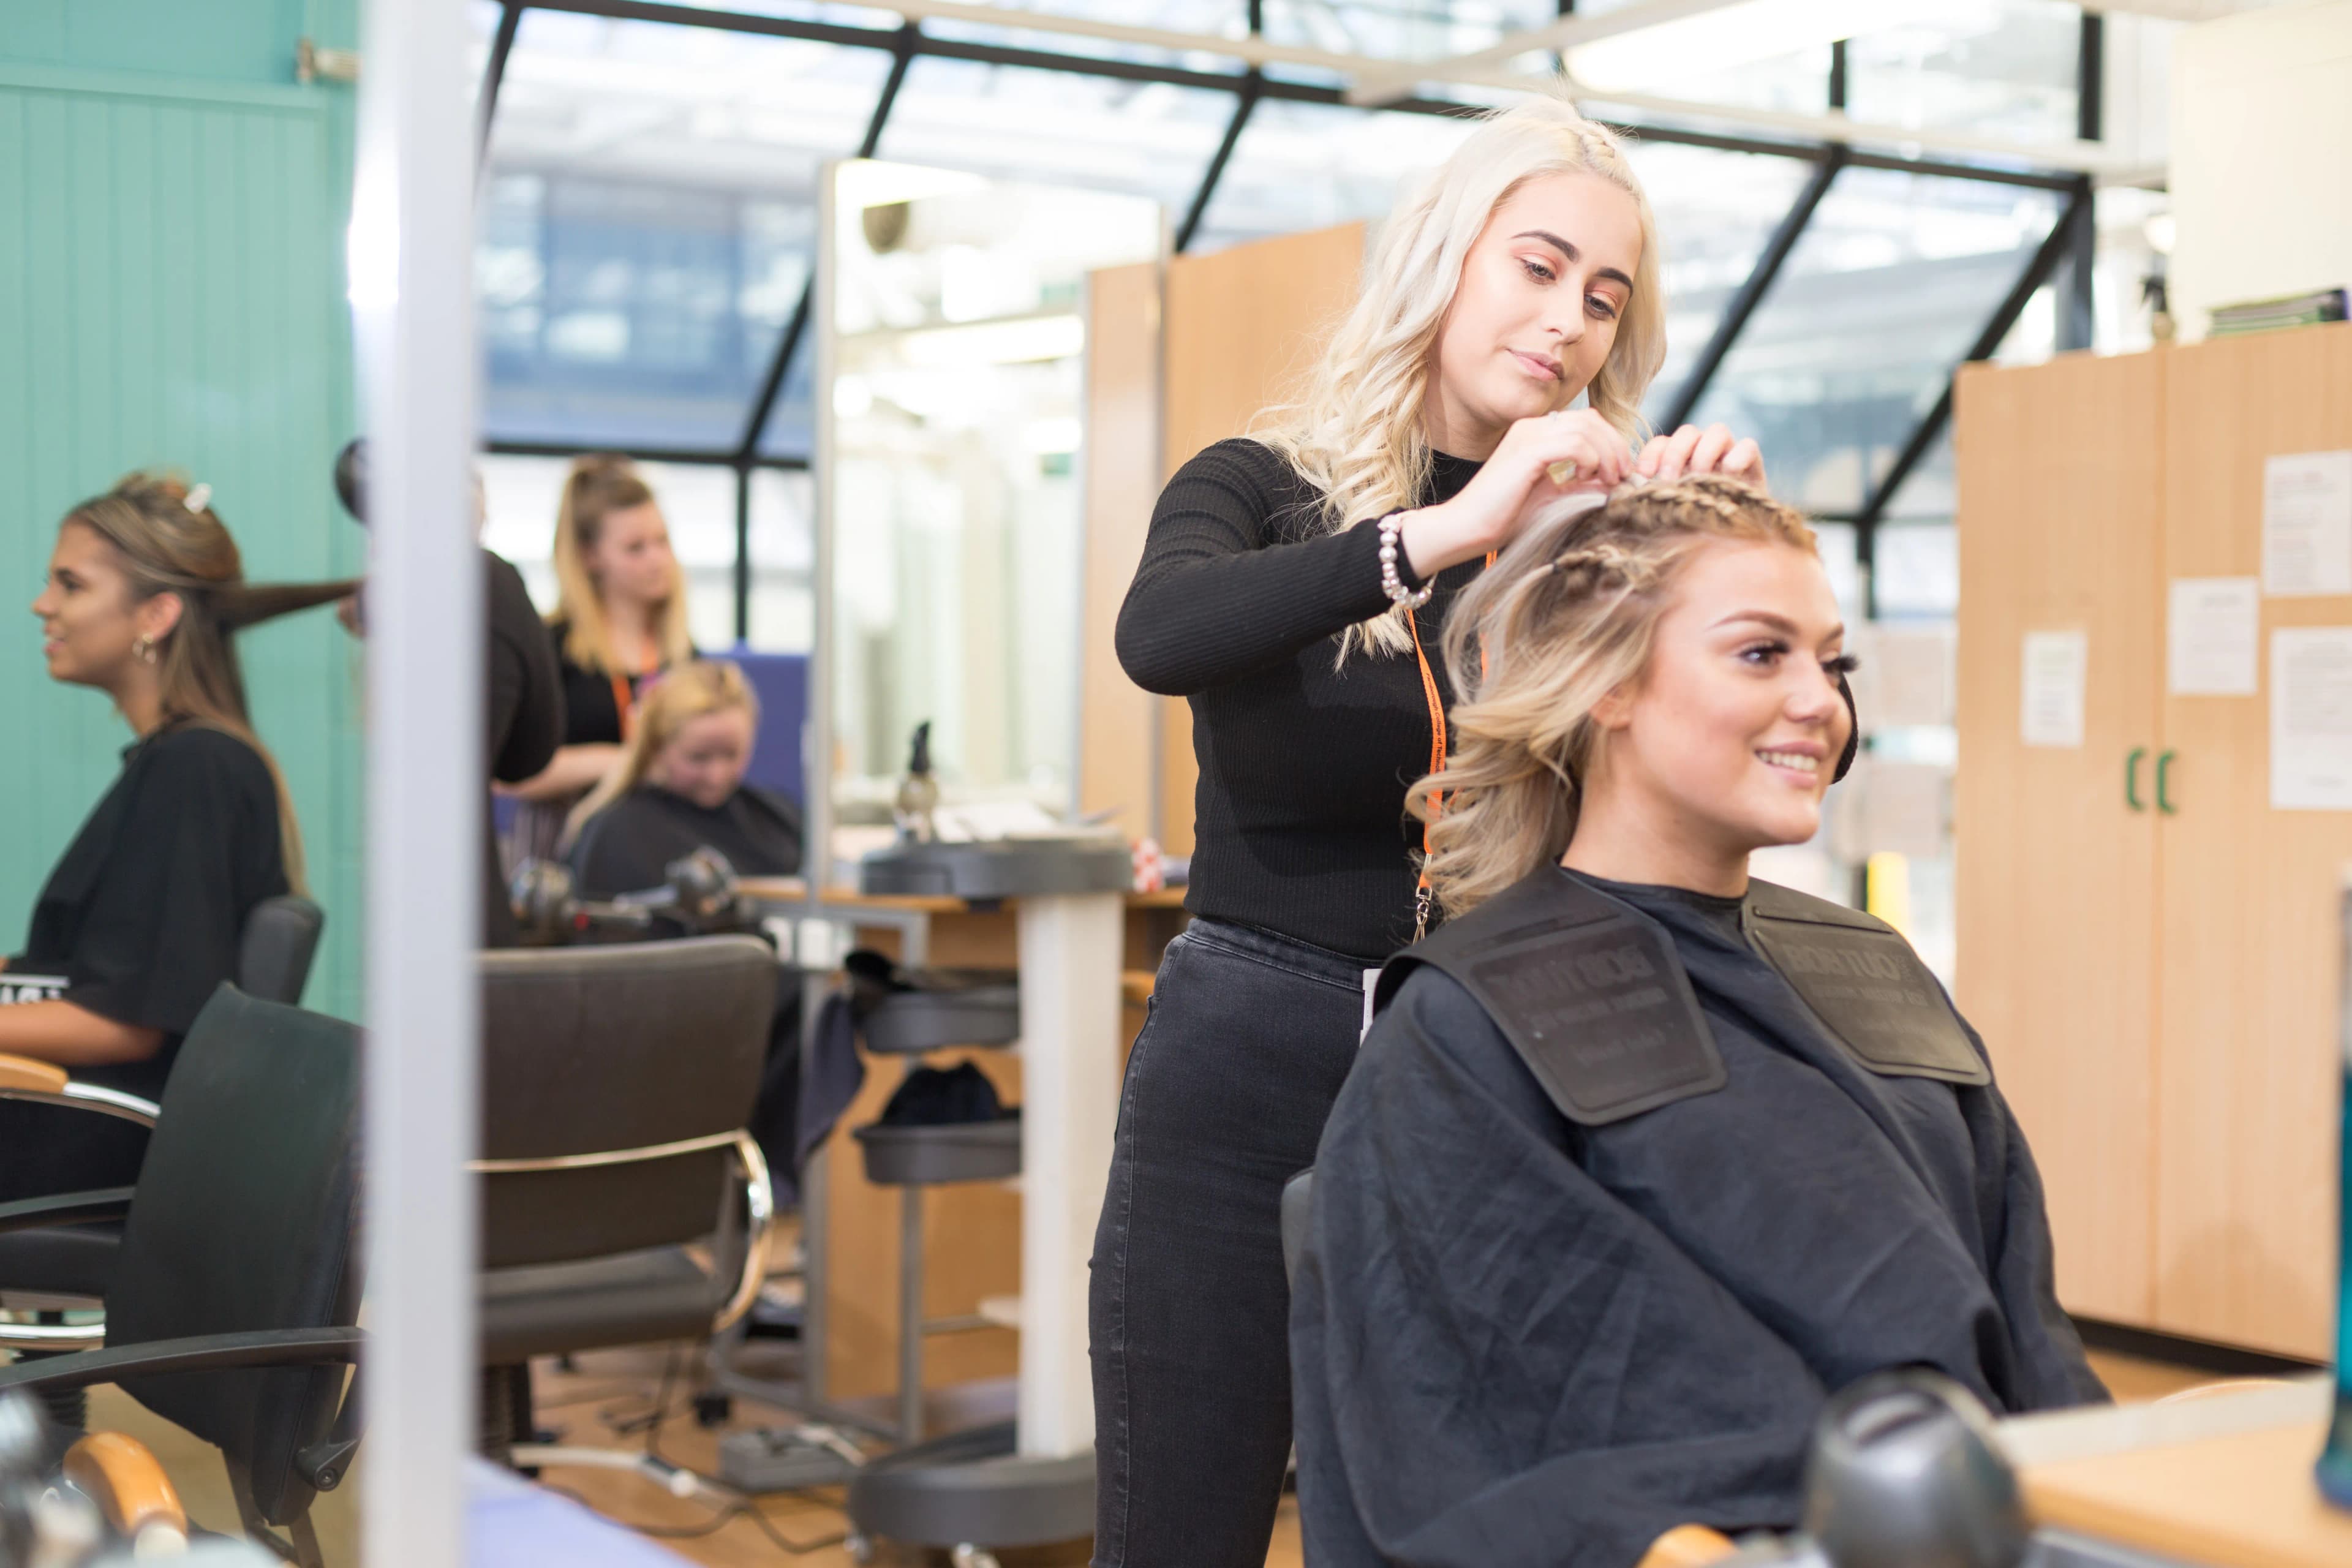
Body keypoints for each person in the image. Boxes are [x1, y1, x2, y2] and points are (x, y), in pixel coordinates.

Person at [1092, 92, 1771, 1568]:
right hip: (1239, 1065)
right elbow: (1160, 631)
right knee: (1177, 1534)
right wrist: (1444, 534)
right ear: (1442, 257)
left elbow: (1714, 788)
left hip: (1481, 1069)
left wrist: (1717, 576)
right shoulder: (1259, 489)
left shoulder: (1599, 541)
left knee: (1465, 1532)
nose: (1567, 320)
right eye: (1535, 265)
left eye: (1604, 299)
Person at [1289, 474, 2107, 1568]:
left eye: (1834, 663)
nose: (1821, 701)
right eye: (1762, 654)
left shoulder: (1870, 966)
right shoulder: (1468, 1028)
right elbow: (1504, 1436)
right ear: (1609, 686)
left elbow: (2025, 1319)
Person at [1, 472, 353, 1202]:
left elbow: (127, 1022)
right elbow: (103, 970)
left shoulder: (196, 770)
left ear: (155, 615)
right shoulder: (184, 764)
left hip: (93, 1139)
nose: (43, 605)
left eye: (70, 584)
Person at [503, 454, 693, 861]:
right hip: (565, 852)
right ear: (591, 557)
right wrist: (620, 762)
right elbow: (510, 775)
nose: (657, 560)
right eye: (635, 548)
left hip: (657, 844)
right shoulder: (551, 649)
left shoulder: (684, 655)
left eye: (662, 542)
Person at [562, 657, 801, 895]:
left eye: (731, 755)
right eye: (698, 758)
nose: (716, 776)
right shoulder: (617, 836)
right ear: (657, 748)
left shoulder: (777, 819)